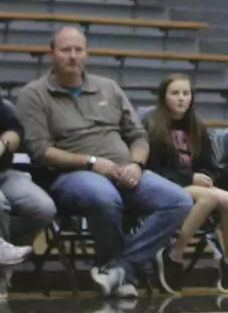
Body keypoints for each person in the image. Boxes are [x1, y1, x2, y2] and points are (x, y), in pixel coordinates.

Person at [16, 25, 193, 297]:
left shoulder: (108, 87)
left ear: (87, 53)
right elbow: (41, 151)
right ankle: (121, 271)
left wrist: (136, 164)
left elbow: (137, 135)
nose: (72, 56)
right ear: (52, 53)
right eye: (65, 50)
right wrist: (92, 162)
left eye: (78, 50)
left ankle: (119, 267)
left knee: (179, 201)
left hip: (124, 168)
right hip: (71, 175)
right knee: (104, 196)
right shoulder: (34, 94)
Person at [141, 73, 228, 293]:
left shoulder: (196, 126)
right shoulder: (152, 125)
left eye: (186, 93)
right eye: (175, 93)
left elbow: (209, 165)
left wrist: (206, 176)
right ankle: (174, 254)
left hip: (194, 186)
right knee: (210, 197)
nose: (181, 98)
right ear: (163, 97)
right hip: (165, 185)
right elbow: (151, 170)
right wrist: (189, 178)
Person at [0, 79, 56, 299]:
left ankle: (0, 246)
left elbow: (14, 129)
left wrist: (1, 145)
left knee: (43, 208)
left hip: (4, 170)